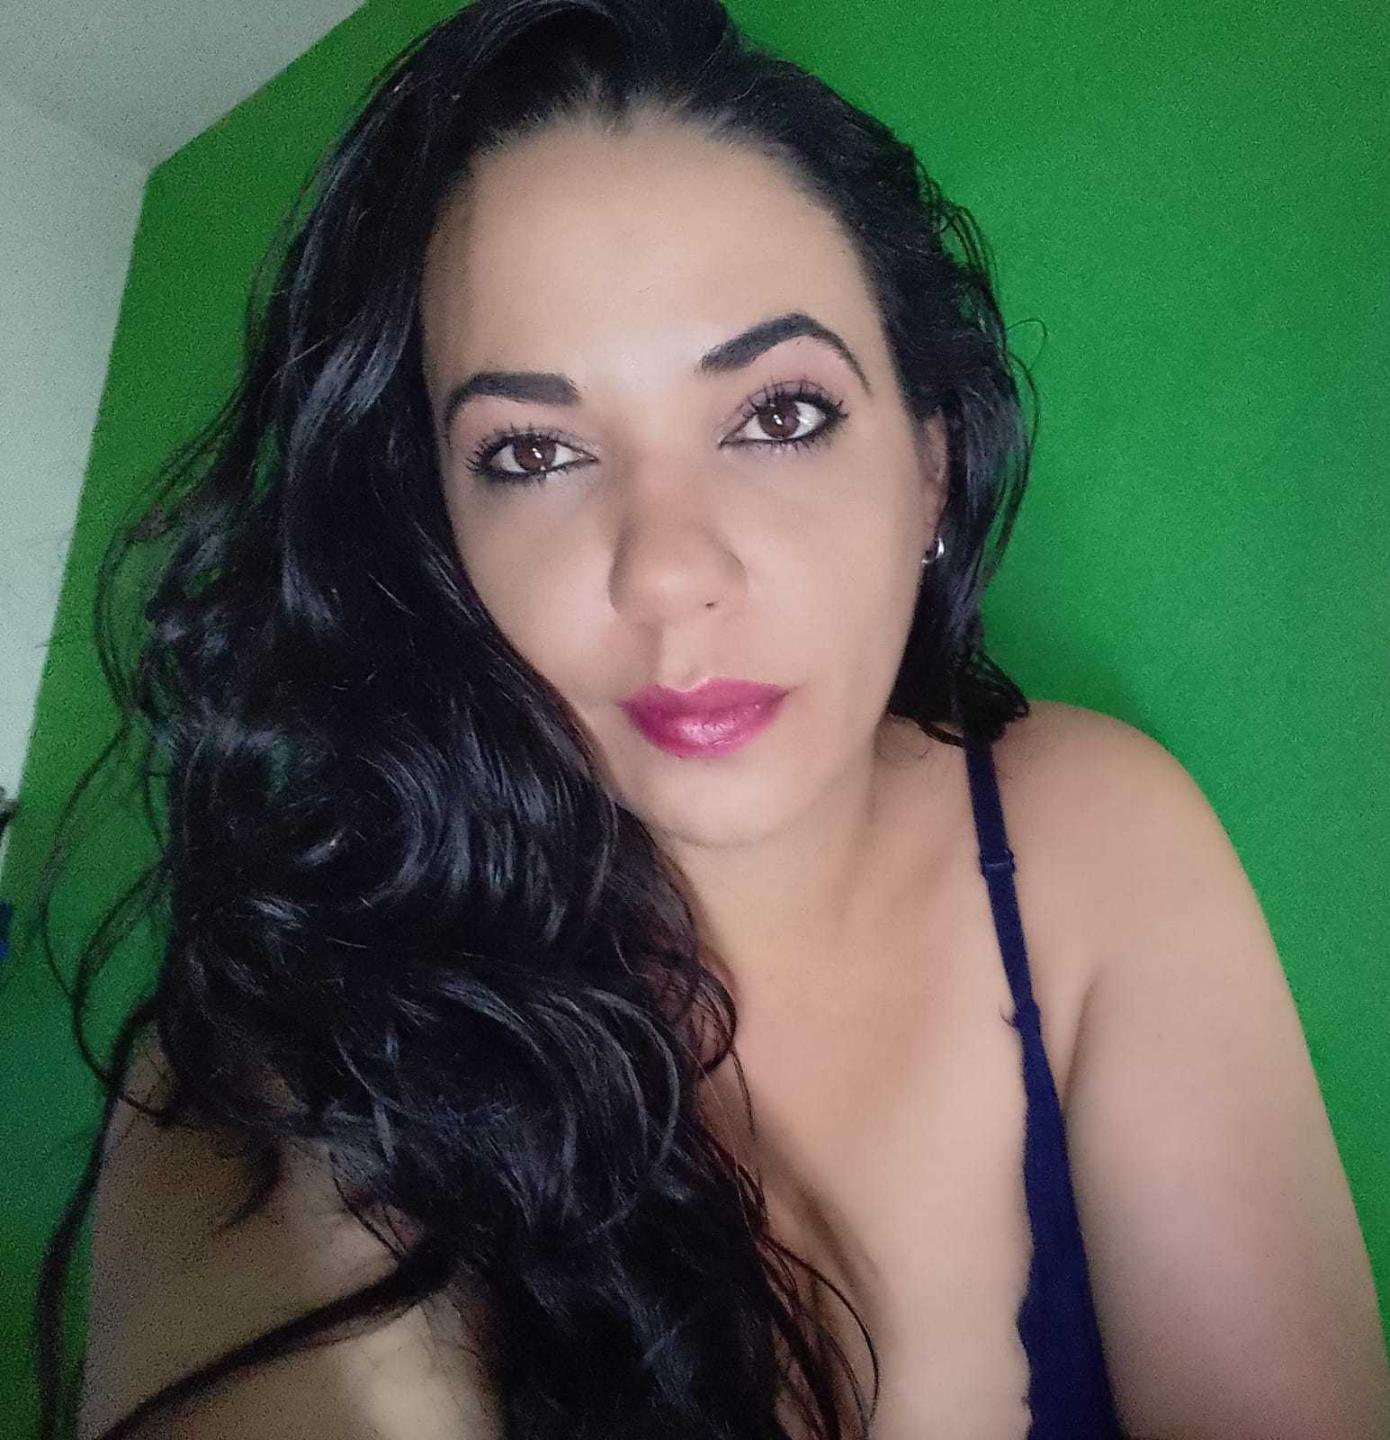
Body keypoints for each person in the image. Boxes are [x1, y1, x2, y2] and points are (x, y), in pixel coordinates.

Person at [31, 1, 1388, 1437]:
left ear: (928, 469)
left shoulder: (1091, 831)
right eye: (531, 452)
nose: (667, 568)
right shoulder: (285, 1044)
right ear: (441, 542)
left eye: (779, 415)